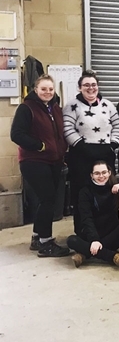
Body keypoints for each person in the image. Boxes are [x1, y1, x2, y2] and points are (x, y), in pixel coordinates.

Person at [10, 75, 70, 257]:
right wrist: (40, 145)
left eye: (50, 89)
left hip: (54, 161)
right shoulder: (26, 108)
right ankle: (46, 243)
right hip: (34, 161)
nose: (47, 92)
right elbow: (16, 134)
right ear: (35, 90)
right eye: (43, 89)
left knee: (46, 200)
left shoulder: (55, 108)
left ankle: (37, 237)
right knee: (48, 199)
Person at [63, 70, 119, 233]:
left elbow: (118, 126)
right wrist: (83, 147)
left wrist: (113, 145)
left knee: (108, 191)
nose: (91, 88)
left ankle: (109, 229)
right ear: (80, 87)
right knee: (82, 193)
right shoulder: (71, 106)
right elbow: (67, 128)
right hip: (81, 155)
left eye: (94, 85)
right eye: (86, 85)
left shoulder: (108, 105)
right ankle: (83, 230)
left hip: (105, 154)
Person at [67, 161, 119, 269]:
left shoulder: (114, 185)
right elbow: (86, 218)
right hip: (91, 233)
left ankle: (84, 254)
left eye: (104, 172)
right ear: (91, 175)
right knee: (71, 240)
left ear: (109, 173)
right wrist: (94, 240)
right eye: (97, 173)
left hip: (109, 232)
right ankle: (112, 256)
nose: (101, 176)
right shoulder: (85, 191)